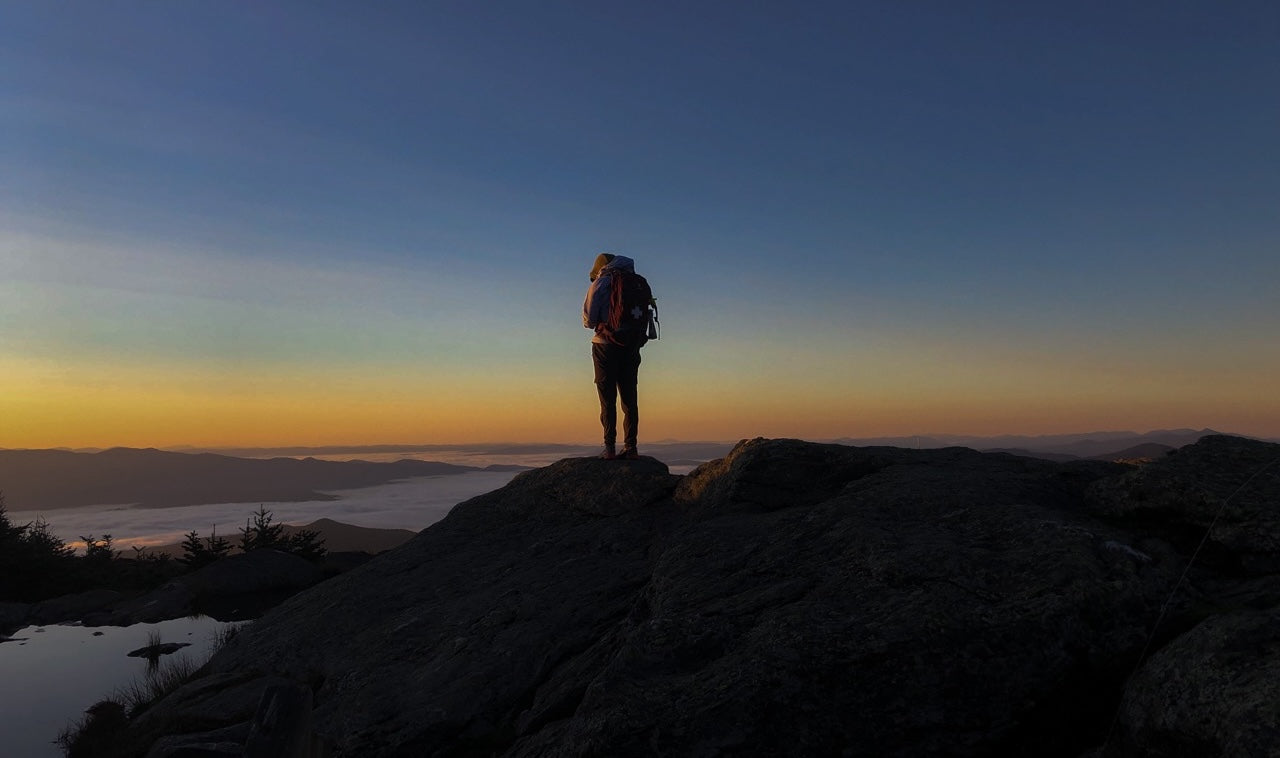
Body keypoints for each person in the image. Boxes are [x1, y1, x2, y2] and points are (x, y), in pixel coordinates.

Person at [582, 252, 654, 460]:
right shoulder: (638, 282)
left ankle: (610, 448)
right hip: (631, 345)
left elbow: (588, 319)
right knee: (630, 398)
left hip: (605, 345)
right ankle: (631, 447)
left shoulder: (603, 282)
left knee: (607, 399)